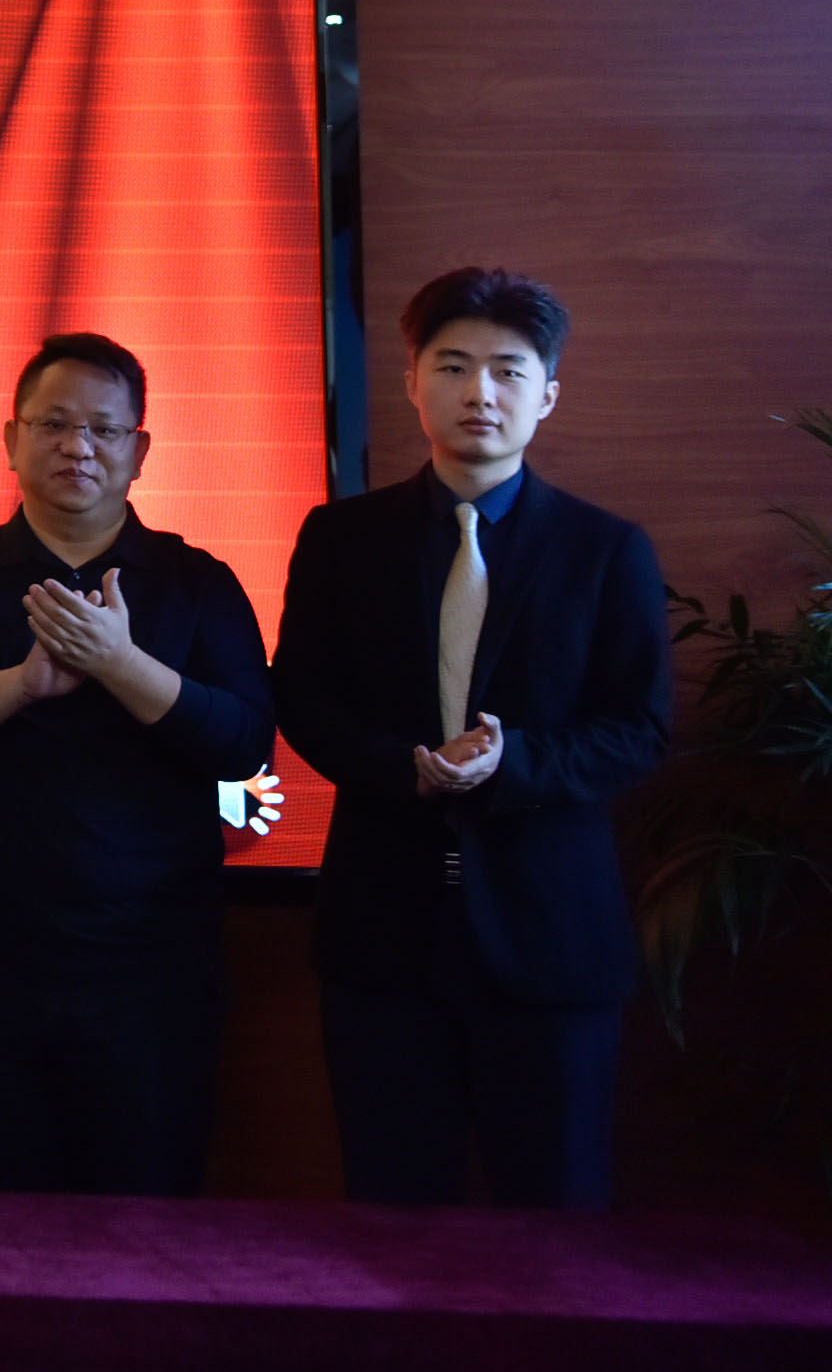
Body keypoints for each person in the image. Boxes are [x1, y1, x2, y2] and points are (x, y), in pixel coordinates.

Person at [273, 268, 672, 1208]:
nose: (479, 392)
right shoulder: (342, 538)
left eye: (507, 370)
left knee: (556, 1217)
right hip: (385, 937)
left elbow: (641, 727)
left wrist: (514, 762)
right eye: (452, 366)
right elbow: (302, 695)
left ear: (548, 394)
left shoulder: (606, 549)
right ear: (412, 382)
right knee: (393, 1213)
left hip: (550, 944)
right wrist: (400, 768)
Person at [0, 331, 272, 1196]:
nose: (77, 446)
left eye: (103, 429)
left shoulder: (196, 582)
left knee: (143, 1218)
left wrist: (121, 664)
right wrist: (20, 685)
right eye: (52, 424)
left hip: (151, 969)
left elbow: (244, 741)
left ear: (140, 451)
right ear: (11, 440)